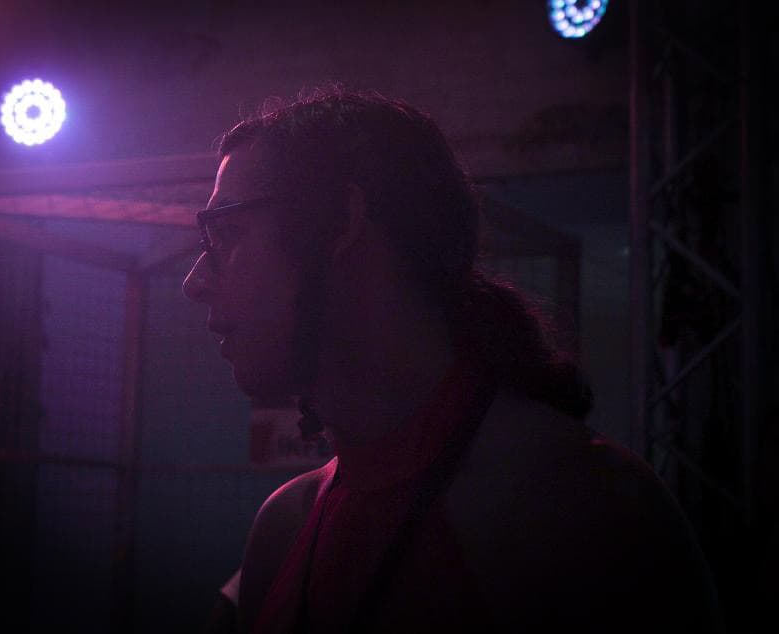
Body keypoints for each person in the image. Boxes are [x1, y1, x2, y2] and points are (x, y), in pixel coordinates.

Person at [184, 88, 724, 633]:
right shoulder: (283, 527)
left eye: (227, 232)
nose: (194, 282)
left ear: (340, 222)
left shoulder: (589, 515)